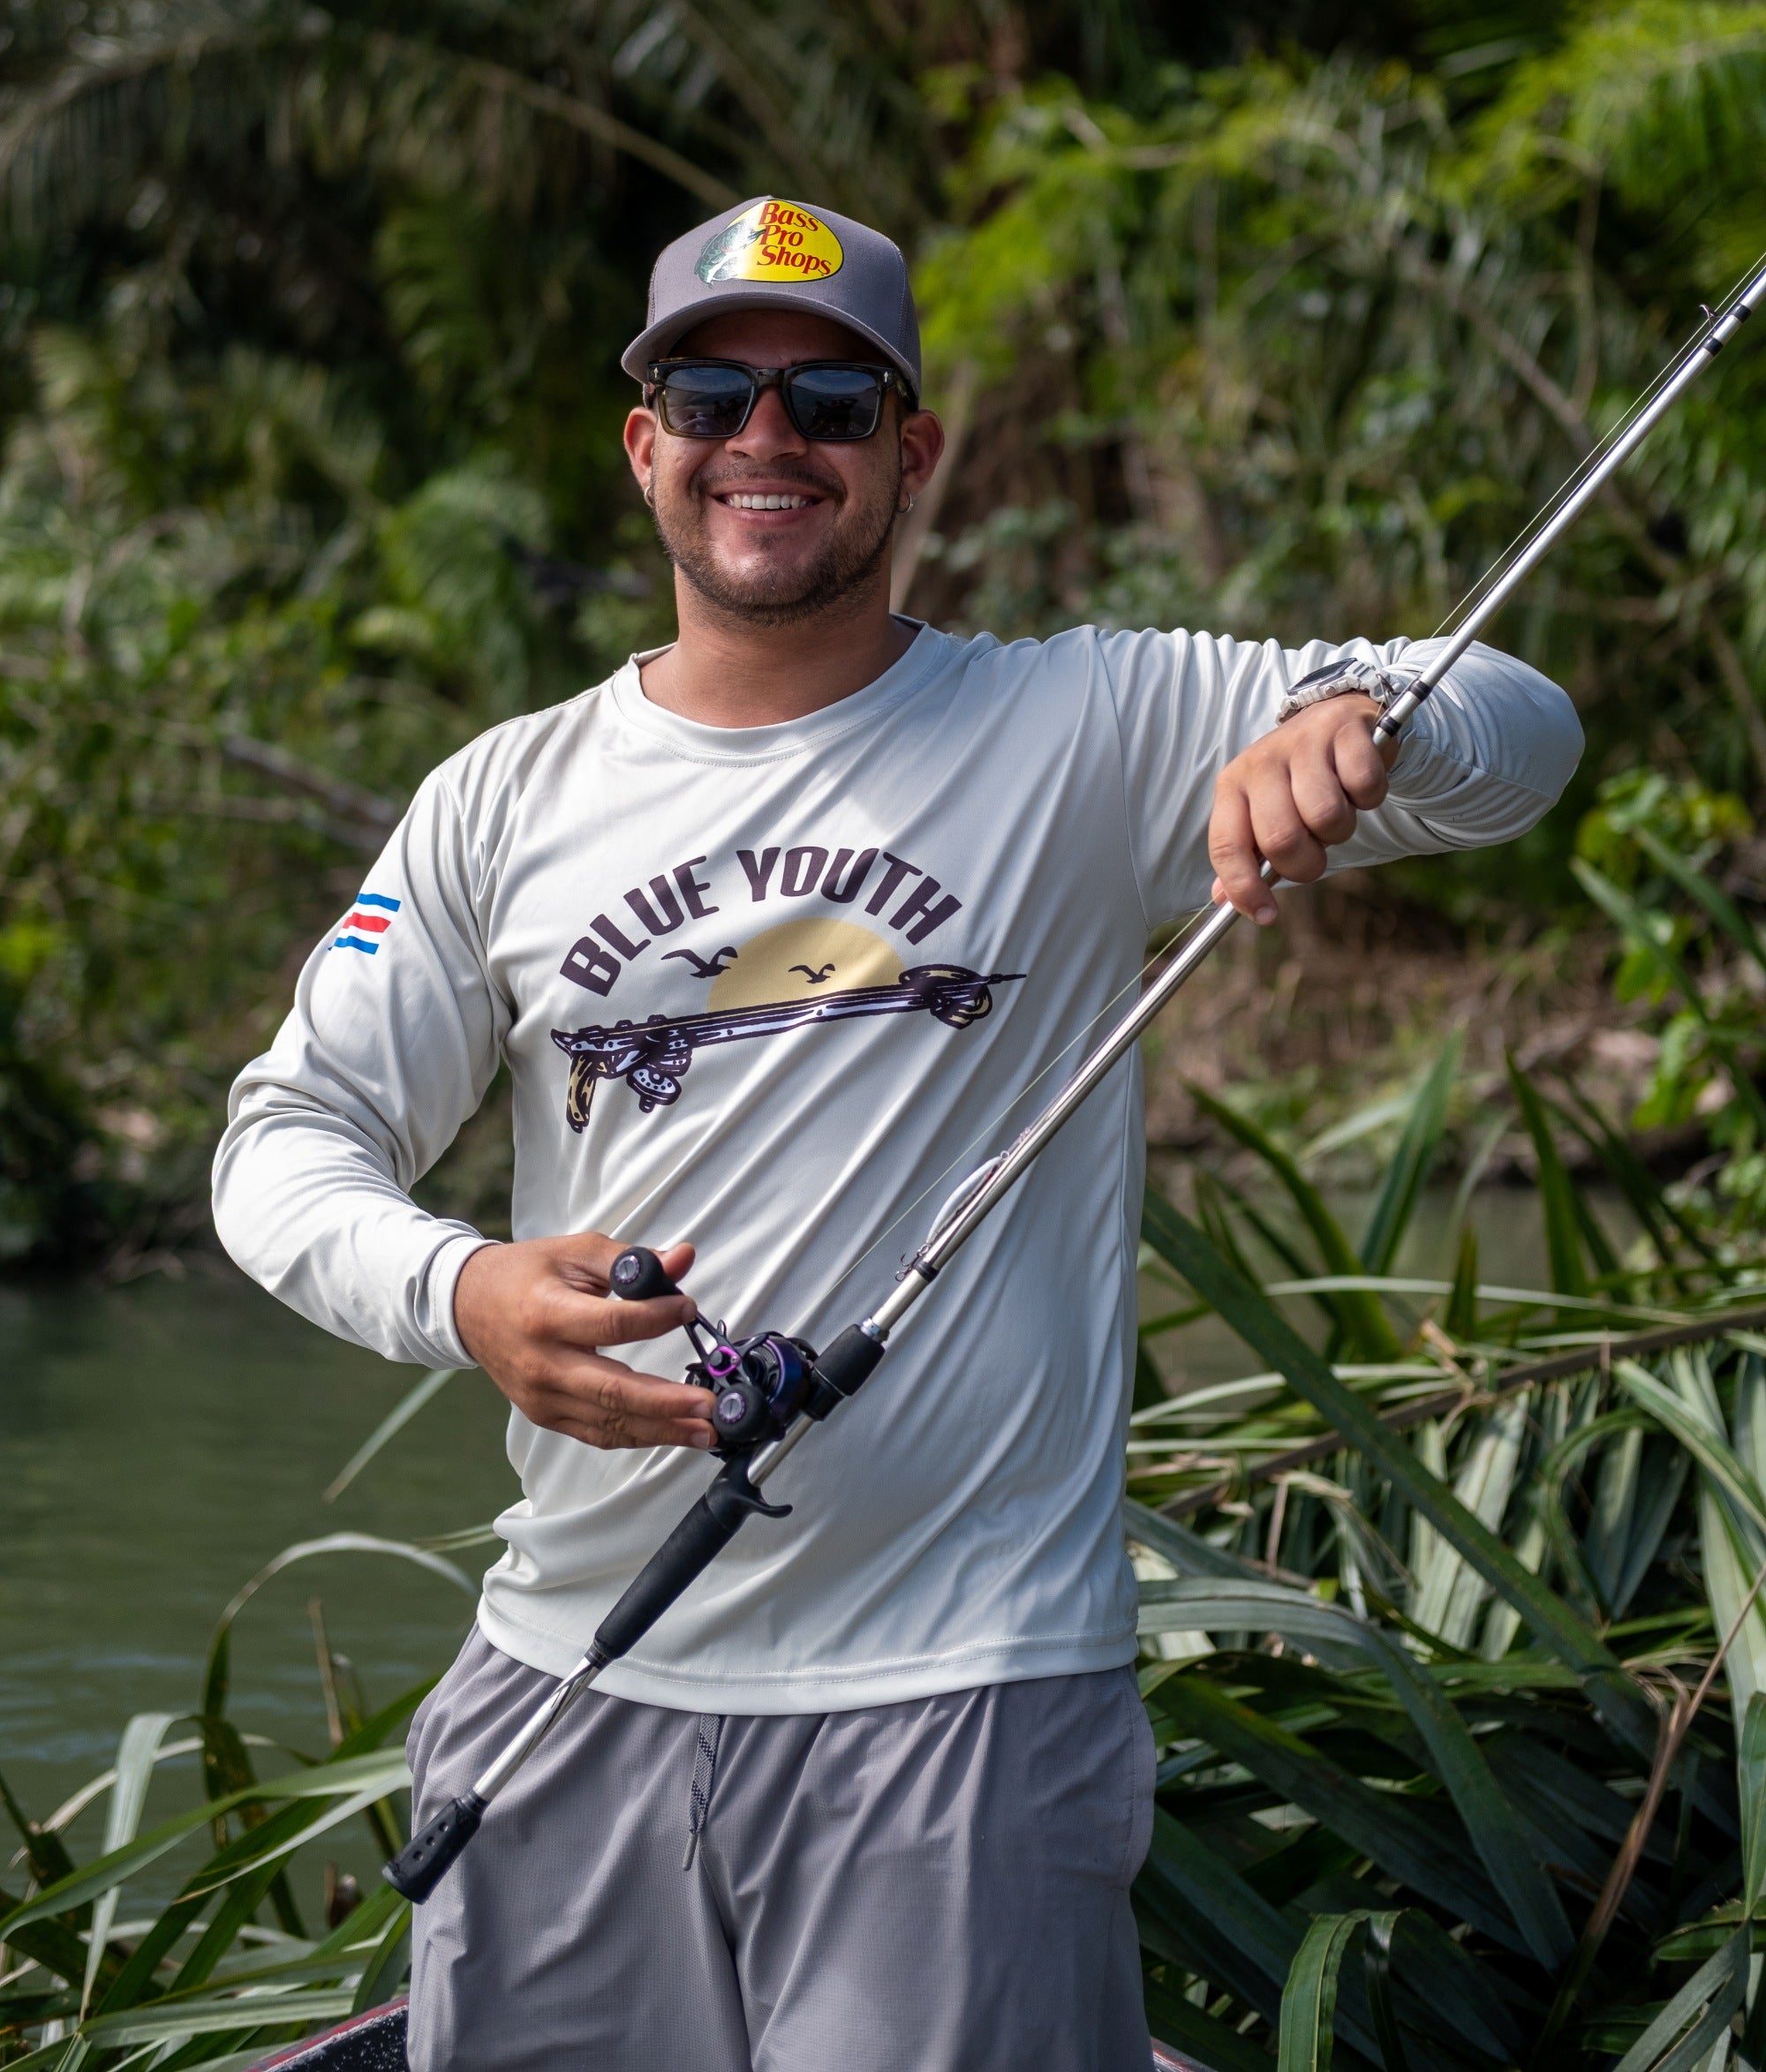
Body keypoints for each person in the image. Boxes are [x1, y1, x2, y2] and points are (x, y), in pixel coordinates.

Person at [214, 192, 1583, 2072]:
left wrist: (1361, 718)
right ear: (646, 448)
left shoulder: (1088, 722)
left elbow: (1524, 732)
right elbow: (283, 1140)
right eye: (711, 392)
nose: (764, 441)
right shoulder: (496, 799)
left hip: (958, 1708)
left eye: (829, 403)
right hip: (567, 1678)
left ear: (911, 452)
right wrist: (462, 1297)